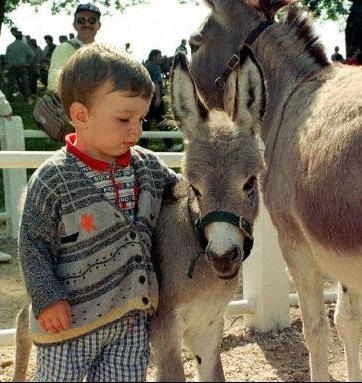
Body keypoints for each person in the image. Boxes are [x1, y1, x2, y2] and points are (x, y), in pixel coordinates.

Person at [18, 43, 179, 382]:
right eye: (124, 119)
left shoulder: (148, 167)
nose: (136, 130)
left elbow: (183, 192)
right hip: (69, 325)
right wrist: (47, 298)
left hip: (130, 319)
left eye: (140, 119)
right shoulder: (53, 179)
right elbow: (33, 244)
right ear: (80, 115)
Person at [47, 2, 102, 93]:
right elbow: (54, 83)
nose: (87, 24)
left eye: (92, 20)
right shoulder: (63, 49)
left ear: (98, 25)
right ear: (75, 25)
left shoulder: (102, 52)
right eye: (81, 20)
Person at [141, 49, 173, 150]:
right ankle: (170, 145)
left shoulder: (145, 66)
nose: (161, 58)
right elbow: (157, 83)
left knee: (146, 123)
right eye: (159, 55)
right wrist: (158, 98)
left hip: (146, 98)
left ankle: (142, 146)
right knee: (162, 121)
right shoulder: (155, 67)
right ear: (154, 56)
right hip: (155, 99)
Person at [5, 30, 35, 103]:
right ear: (21, 37)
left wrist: (10, 63)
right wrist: (28, 62)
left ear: (15, 37)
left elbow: (6, 58)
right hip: (22, 66)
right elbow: (33, 55)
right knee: (25, 82)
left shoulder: (10, 46)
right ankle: (27, 98)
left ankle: (9, 98)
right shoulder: (24, 45)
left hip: (12, 66)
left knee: (11, 83)